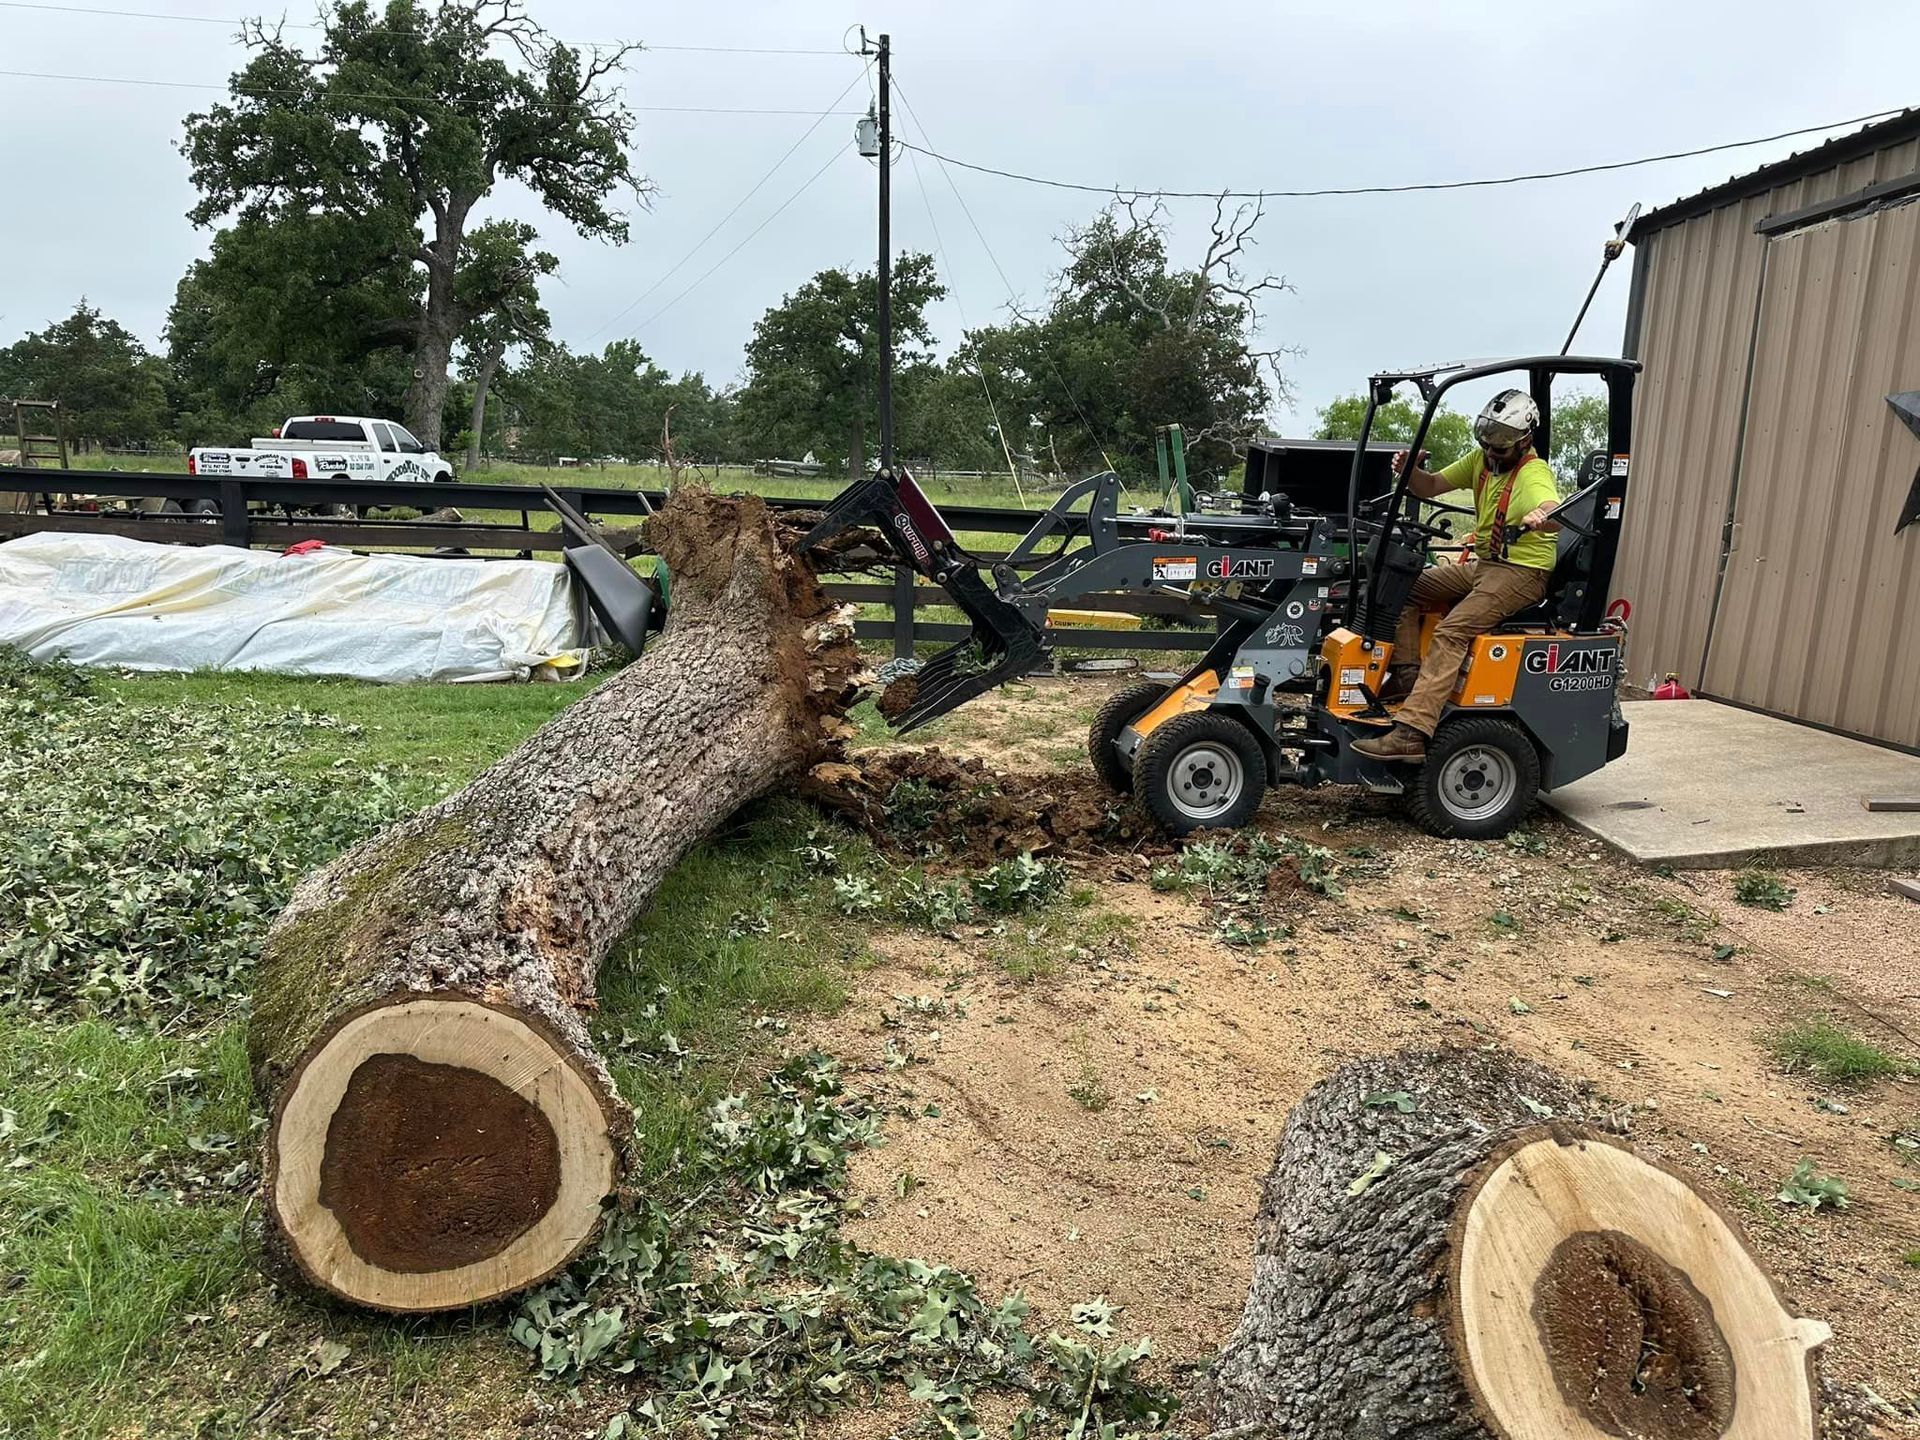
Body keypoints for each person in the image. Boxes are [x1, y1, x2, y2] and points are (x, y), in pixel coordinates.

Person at [1352, 388, 1561, 762]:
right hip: (1487, 565)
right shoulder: (1482, 462)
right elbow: (1429, 486)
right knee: (1404, 587)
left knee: (1452, 631)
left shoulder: (1534, 473)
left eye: (1501, 447)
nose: (1492, 453)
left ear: (1524, 440)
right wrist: (1409, 471)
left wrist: (1542, 517)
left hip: (1522, 572)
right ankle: (1407, 678)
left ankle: (1412, 733)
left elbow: (1553, 509)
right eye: (1487, 444)